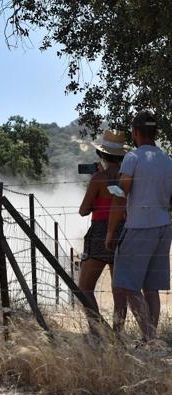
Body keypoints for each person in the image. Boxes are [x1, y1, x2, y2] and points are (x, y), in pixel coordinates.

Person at [106, 110, 172, 344]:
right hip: (164, 226)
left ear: (135, 133)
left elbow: (121, 195)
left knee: (126, 284)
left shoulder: (132, 158)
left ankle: (149, 337)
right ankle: (151, 342)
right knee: (151, 287)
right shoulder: (167, 160)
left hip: (139, 227)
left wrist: (111, 232)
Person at [78, 130, 129, 333]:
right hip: (124, 231)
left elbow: (83, 210)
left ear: (102, 155)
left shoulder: (99, 178)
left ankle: (98, 330)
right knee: (120, 292)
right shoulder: (128, 176)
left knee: (84, 288)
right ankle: (117, 334)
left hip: (100, 233)